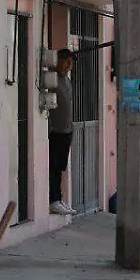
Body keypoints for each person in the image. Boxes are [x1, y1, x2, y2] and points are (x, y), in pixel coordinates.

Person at [48, 48, 77, 216]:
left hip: (66, 131)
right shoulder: (52, 79)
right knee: (53, 166)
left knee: (60, 167)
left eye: (70, 62)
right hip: (55, 131)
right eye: (66, 61)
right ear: (58, 60)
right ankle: (53, 200)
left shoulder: (66, 80)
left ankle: (58, 198)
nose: (68, 65)